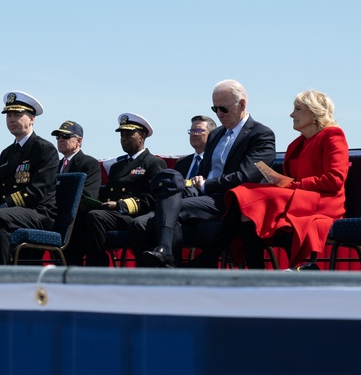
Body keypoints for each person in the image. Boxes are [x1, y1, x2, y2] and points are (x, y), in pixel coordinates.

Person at [189, 90, 348, 269]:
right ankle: (253, 269)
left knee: (247, 196)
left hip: (323, 201)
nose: (291, 114)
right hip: (298, 197)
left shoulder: (333, 135)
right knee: (246, 198)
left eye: (297, 109)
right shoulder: (297, 143)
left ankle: (214, 258)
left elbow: (334, 180)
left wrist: (293, 185)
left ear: (313, 113)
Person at [140, 80, 275, 268]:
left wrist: (206, 184)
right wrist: (199, 181)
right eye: (215, 109)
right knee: (169, 179)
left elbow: (246, 176)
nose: (219, 114)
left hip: (228, 198)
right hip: (202, 193)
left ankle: (168, 257)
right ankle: (165, 254)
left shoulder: (261, 135)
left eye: (224, 109)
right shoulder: (216, 134)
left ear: (242, 104)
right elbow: (205, 171)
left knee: (172, 210)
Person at [0, 91, 59, 264]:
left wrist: (4, 204)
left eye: (17, 114)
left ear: (32, 119)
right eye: (8, 115)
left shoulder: (44, 148)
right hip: (14, 211)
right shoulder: (7, 152)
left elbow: (36, 190)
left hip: (39, 212)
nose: (11, 119)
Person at [79, 113, 166, 266]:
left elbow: (152, 199)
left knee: (95, 217)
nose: (123, 138)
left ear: (142, 137)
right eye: (122, 135)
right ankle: (72, 263)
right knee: (82, 213)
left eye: (129, 134)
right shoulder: (117, 166)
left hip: (137, 217)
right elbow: (107, 193)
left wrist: (120, 205)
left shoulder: (153, 163)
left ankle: (97, 268)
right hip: (112, 215)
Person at [127, 114, 215, 255]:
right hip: (171, 206)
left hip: (198, 209)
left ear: (212, 135)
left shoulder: (216, 160)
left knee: (172, 222)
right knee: (137, 224)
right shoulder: (182, 163)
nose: (193, 134)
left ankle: (172, 268)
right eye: (191, 131)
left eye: (198, 131)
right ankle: (152, 269)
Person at [50, 120, 102, 199]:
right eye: (58, 136)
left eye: (65, 136)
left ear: (79, 141)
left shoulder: (90, 163)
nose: (60, 139)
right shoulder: (55, 165)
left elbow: (88, 195)